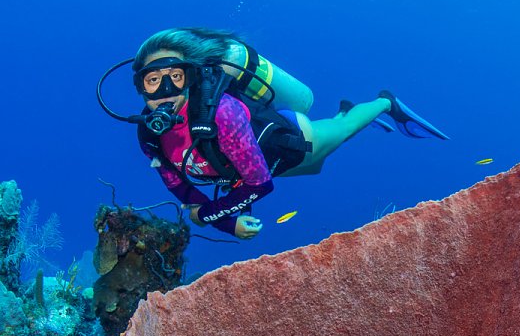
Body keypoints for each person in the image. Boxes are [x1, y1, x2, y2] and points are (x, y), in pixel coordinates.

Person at [130, 27, 449, 239]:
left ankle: (385, 102)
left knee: (342, 132)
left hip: (292, 144)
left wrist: (213, 217)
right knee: (327, 153)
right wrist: (224, 220)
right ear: (140, 87)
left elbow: (260, 185)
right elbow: (181, 189)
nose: (166, 90)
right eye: (153, 80)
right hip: (261, 167)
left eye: (176, 76)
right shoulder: (149, 135)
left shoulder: (222, 114)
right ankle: (343, 110)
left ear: (192, 78)